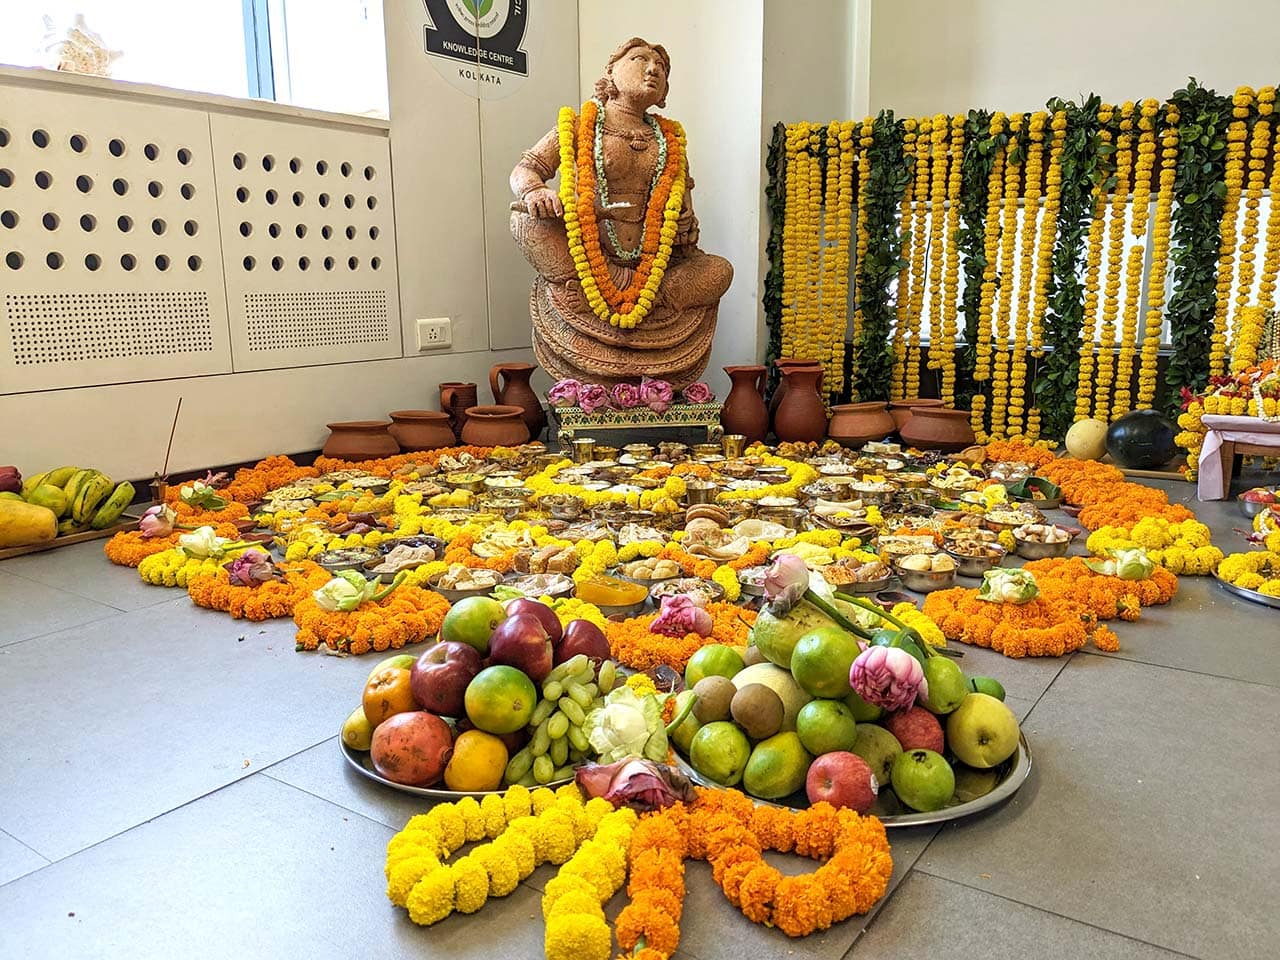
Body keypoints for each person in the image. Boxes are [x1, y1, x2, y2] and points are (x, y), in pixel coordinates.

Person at [510, 37, 732, 388]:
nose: (652, 69)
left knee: (719, 270)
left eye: (661, 68)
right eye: (640, 59)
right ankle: (591, 290)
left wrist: (686, 226)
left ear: (664, 92)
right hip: (588, 257)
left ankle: (645, 299)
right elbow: (525, 169)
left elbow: (685, 212)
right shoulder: (579, 128)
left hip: (654, 269)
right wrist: (535, 191)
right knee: (525, 220)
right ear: (611, 73)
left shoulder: (670, 142)